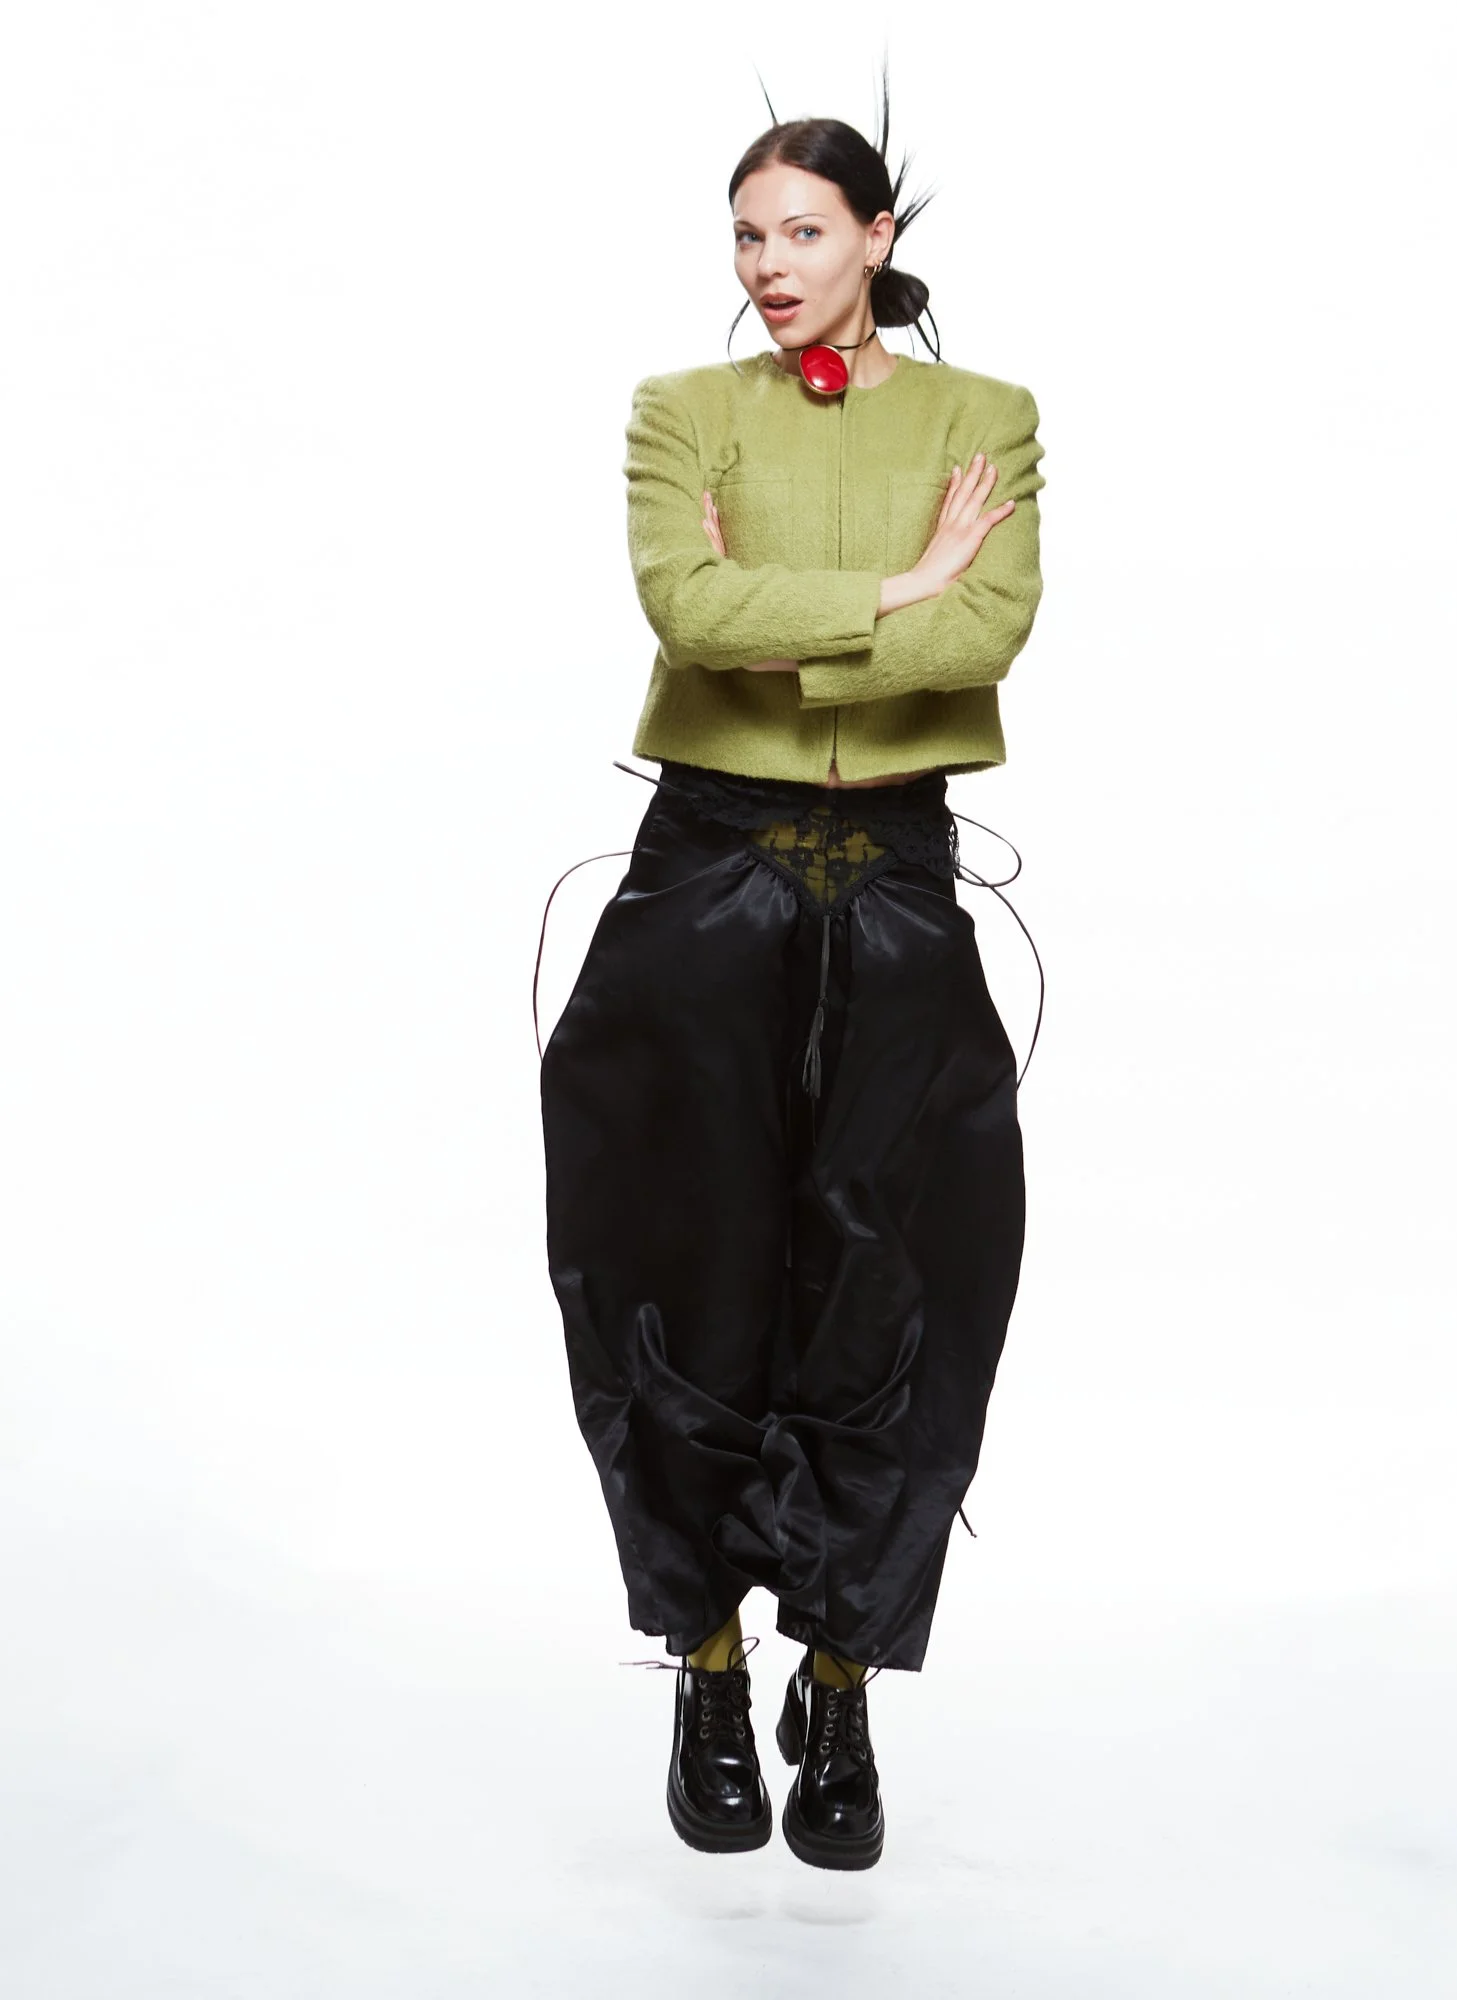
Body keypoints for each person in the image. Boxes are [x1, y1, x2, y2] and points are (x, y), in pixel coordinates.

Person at [538, 77, 1045, 1870]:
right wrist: (904, 585)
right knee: (673, 1257)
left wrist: (835, 616)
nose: (768, 262)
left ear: (876, 236)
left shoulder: (989, 417)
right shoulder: (683, 411)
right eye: (747, 235)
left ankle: (839, 1677)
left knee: (899, 1272)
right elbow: (689, 614)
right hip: (706, 870)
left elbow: (996, 630)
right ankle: (700, 1659)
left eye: (804, 230)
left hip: (895, 874)